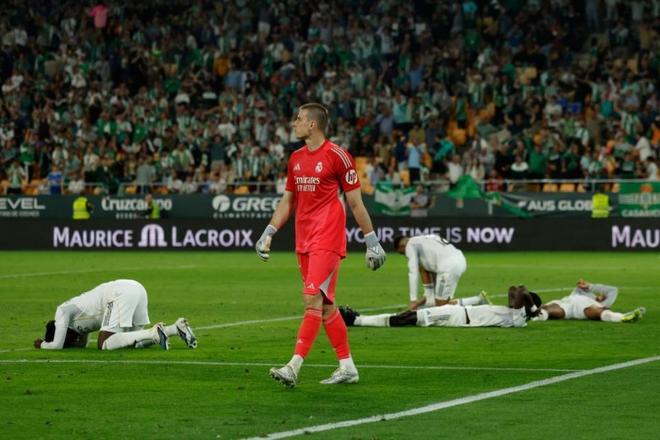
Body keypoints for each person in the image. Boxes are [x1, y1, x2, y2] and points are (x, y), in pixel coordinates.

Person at [255, 103, 386, 387]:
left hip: (328, 238)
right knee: (326, 306)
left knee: (311, 299)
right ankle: (348, 367)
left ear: (312, 124)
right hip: (304, 240)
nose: (294, 123)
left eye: (299, 119)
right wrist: (270, 230)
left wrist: (372, 240)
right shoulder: (295, 158)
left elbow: (355, 202)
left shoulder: (338, 156)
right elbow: (288, 201)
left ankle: (293, 366)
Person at [34, 279, 197, 350]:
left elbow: (56, 345)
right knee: (133, 343)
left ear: (60, 330)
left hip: (118, 293)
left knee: (103, 343)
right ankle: (174, 329)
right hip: (136, 288)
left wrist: (42, 344)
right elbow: (82, 344)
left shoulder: (62, 312)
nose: (72, 342)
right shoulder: (77, 327)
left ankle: (154, 333)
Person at [339, 286, 542, 329]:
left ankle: (357, 320)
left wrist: (533, 309)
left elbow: (521, 290)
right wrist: (531, 307)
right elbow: (515, 289)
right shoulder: (515, 312)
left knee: (410, 317)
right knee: (411, 316)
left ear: (525, 305)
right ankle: (358, 319)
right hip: (459, 314)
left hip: (458, 318)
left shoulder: (518, 318)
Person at [394, 235, 489, 310]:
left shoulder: (410, 245)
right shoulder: (424, 240)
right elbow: (424, 269)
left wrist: (413, 300)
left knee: (441, 307)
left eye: (402, 253)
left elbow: (413, 272)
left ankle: (478, 300)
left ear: (402, 246)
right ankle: (432, 300)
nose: (405, 255)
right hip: (459, 260)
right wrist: (427, 298)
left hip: (448, 267)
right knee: (440, 301)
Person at [534, 279, 645, 323]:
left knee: (601, 312)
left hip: (585, 307)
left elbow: (613, 290)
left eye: (604, 296)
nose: (601, 296)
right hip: (567, 302)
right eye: (601, 294)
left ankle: (623, 317)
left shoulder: (600, 304)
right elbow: (578, 288)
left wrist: (592, 288)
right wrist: (589, 287)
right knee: (548, 309)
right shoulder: (583, 292)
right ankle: (532, 316)